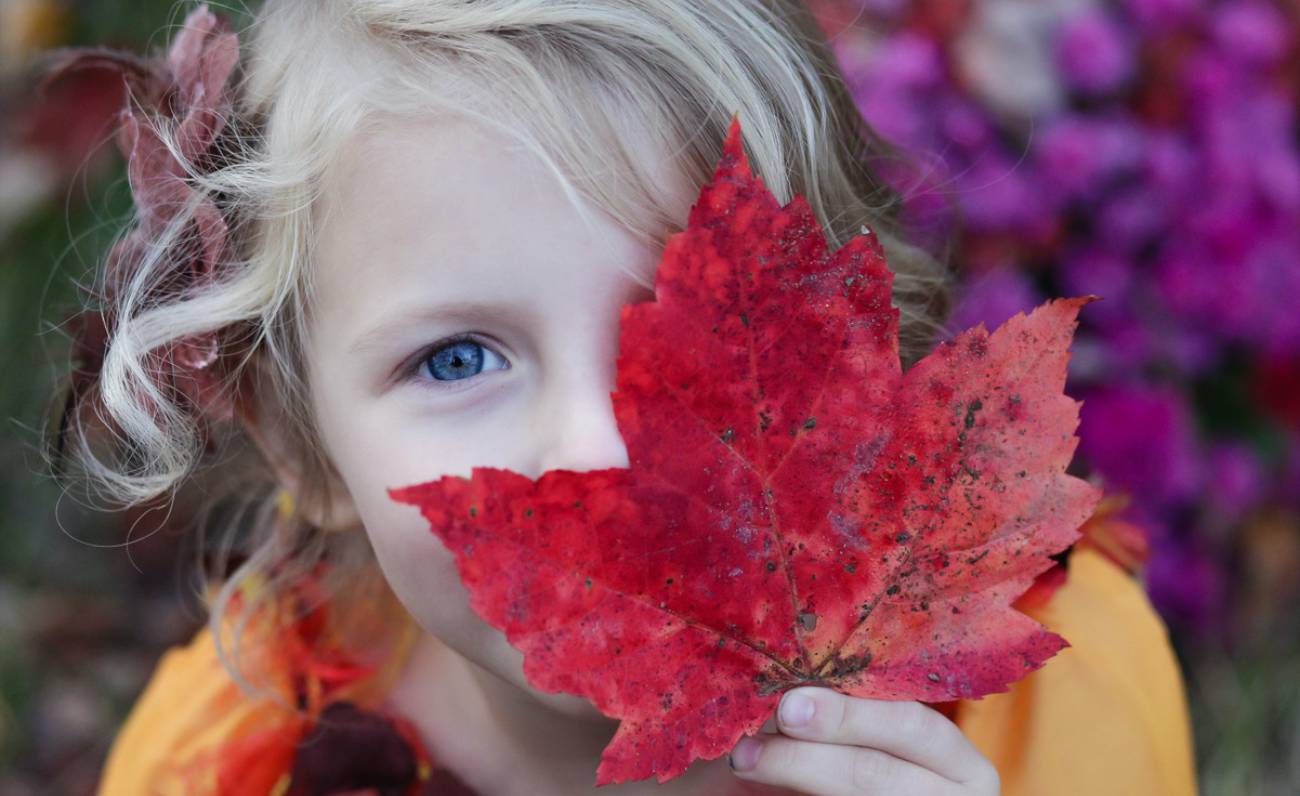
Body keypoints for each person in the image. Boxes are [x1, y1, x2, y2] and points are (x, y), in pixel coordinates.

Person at [40, 1, 1197, 794]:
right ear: (299, 442)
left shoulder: (1053, 702)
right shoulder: (220, 765)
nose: (599, 450)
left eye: (693, 326)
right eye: (457, 360)